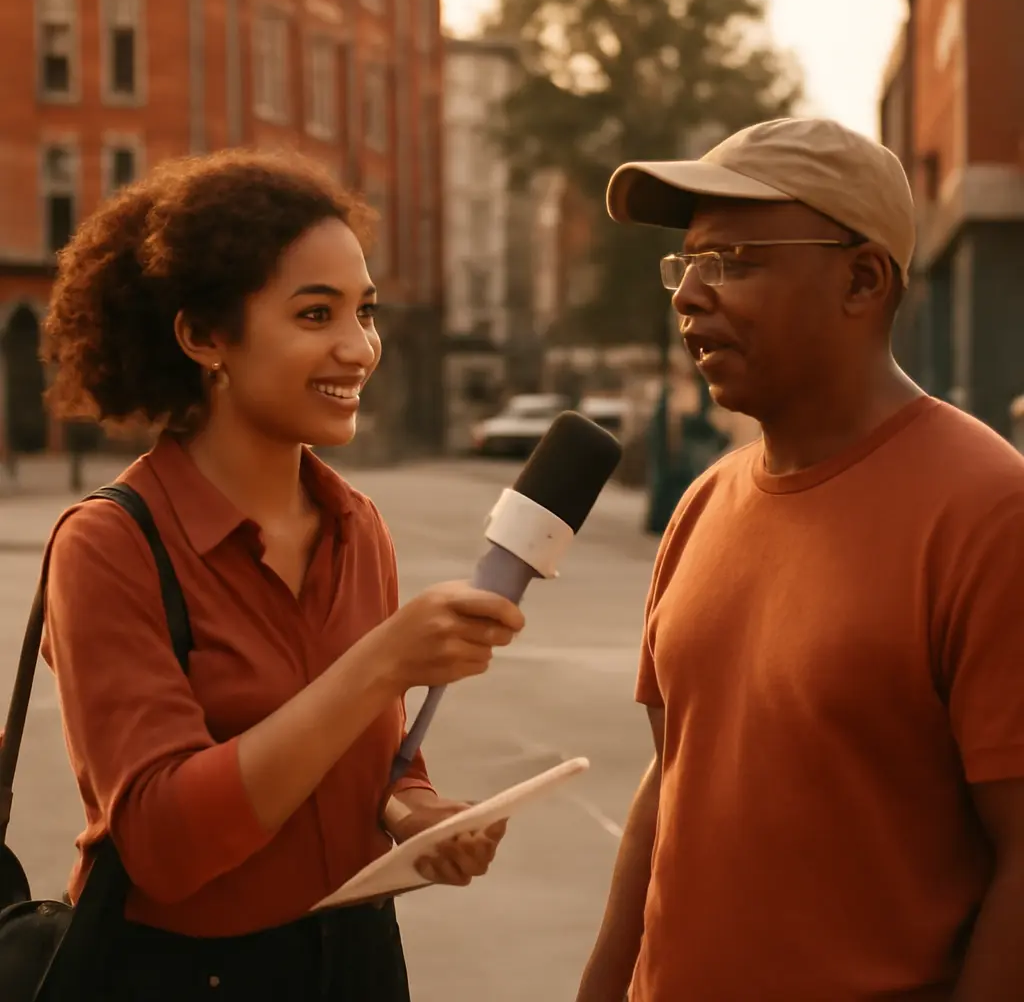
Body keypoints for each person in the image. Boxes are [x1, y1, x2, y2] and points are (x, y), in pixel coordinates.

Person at [39, 148, 525, 1001]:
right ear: (202, 337)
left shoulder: (356, 527)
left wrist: (418, 814)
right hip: (191, 977)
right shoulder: (109, 546)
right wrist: (380, 662)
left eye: (364, 312)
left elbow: (378, 756)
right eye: (314, 314)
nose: (358, 349)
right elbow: (163, 843)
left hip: (361, 960)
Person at [576, 117, 1024, 1001]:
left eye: (735, 260)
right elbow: (674, 782)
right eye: (688, 263)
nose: (690, 294)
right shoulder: (702, 506)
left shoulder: (987, 512)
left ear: (861, 280)